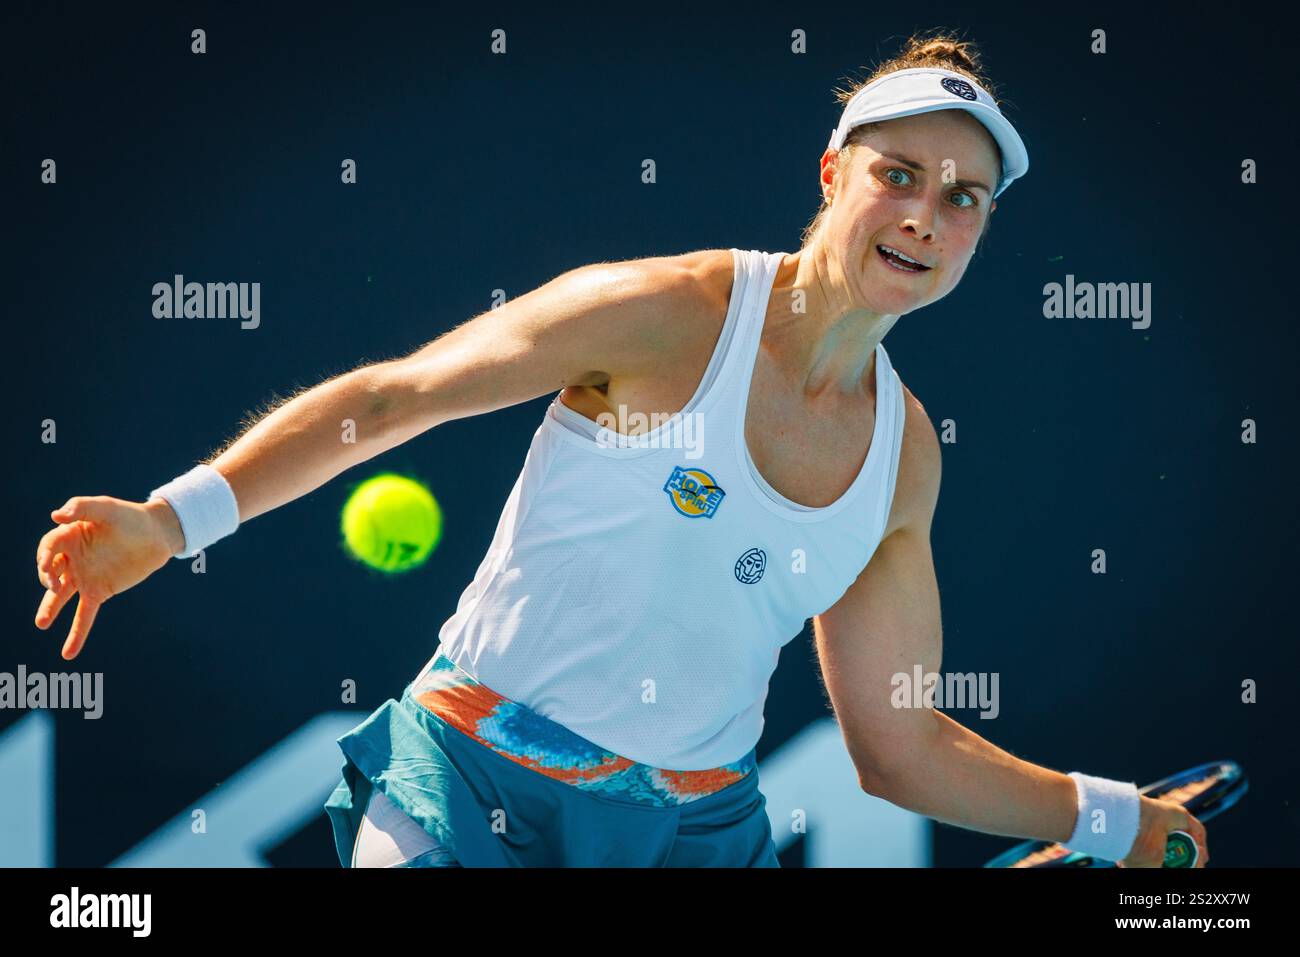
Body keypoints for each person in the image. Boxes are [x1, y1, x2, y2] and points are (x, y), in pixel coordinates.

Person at [32, 33, 1208, 868]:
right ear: (831, 175)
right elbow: (395, 400)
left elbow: (898, 748)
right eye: (896, 175)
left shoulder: (904, 463)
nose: (923, 216)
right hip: (465, 779)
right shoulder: (663, 313)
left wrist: (1106, 816)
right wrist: (169, 520)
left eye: (963, 199)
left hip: (691, 836)